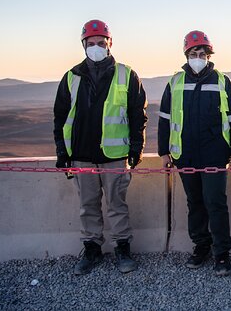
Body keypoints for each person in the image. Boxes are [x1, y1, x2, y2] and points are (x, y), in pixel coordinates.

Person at [53, 19, 147, 275]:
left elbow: (138, 115)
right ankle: (92, 249)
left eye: (101, 43)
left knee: (117, 205)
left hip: (114, 156)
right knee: (88, 206)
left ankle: (122, 249)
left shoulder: (127, 75)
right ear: (83, 45)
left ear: (110, 44)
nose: (96, 47)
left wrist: (136, 148)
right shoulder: (71, 76)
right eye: (91, 43)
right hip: (82, 155)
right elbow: (60, 117)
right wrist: (63, 152)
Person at [157, 30, 231, 276]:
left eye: (203, 53)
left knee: (215, 203)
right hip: (184, 156)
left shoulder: (223, 81)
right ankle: (201, 246)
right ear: (186, 55)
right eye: (194, 53)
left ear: (209, 56)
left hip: (215, 156)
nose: (199, 57)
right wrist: (164, 152)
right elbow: (164, 120)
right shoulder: (175, 83)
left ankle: (222, 253)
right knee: (195, 203)